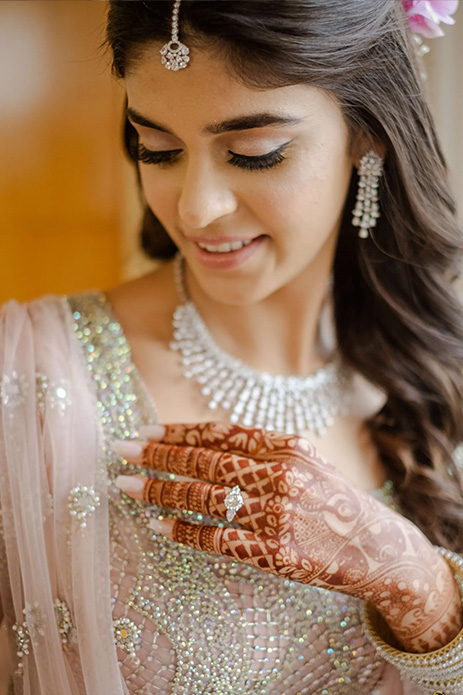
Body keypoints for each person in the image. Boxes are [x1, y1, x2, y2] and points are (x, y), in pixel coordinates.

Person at [0, 0, 463, 692]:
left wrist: (420, 588)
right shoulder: (24, 375)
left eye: (254, 153)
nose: (195, 206)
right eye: (157, 149)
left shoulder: (441, 378)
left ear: (368, 135)